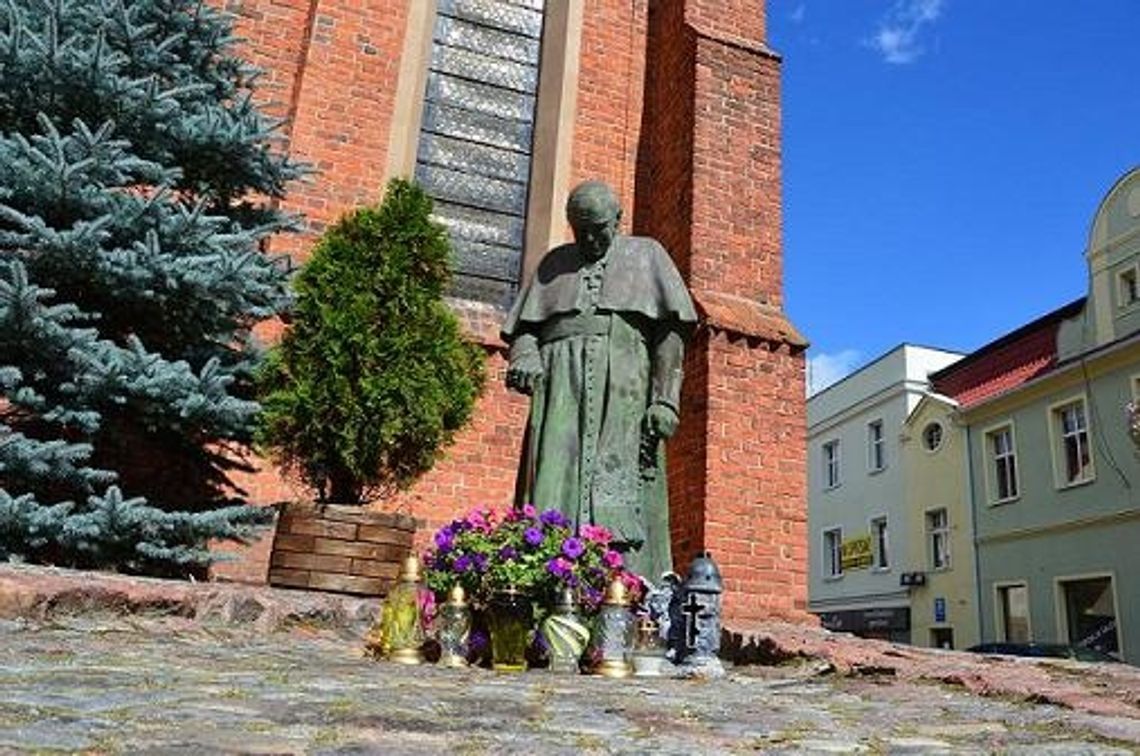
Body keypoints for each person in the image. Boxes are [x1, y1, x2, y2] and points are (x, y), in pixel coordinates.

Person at [501, 180, 697, 581]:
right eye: (581, 230)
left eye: (599, 229)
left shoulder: (647, 256)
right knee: (551, 481)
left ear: (618, 220)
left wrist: (665, 399)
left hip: (625, 384)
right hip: (558, 388)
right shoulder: (554, 263)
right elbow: (524, 329)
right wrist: (524, 354)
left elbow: (672, 331)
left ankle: (626, 591)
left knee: (622, 485)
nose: (590, 239)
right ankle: (542, 579)